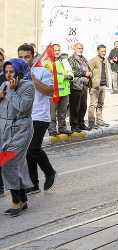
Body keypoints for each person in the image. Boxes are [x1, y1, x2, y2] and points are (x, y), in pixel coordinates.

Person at [18, 45, 57, 195]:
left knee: (34, 147)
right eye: (20, 57)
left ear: (33, 56)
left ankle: (50, 172)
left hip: (40, 116)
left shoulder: (42, 71)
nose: (23, 60)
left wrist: (34, 81)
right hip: (24, 116)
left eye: (26, 56)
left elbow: (50, 91)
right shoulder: (17, 73)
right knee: (28, 151)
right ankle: (33, 184)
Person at [2, 58, 37, 216]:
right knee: (18, 165)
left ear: (20, 71)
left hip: (21, 129)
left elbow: (22, 107)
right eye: (6, 71)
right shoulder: (4, 85)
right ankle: (23, 200)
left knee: (8, 163)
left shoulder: (28, 87)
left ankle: (15, 201)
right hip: (4, 130)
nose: (9, 75)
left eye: (12, 71)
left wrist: (10, 92)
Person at [47, 44, 72, 136]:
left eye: (58, 50)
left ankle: (62, 128)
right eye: (55, 50)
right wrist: (63, 77)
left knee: (63, 112)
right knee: (52, 113)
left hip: (65, 90)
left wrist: (70, 76)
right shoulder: (49, 62)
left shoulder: (64, 60)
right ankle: (52, 129)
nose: (57, 52)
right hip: (54, 92)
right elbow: (50, 75)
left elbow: (70, 70)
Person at [67, 43, 91, 133]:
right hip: (76, 85)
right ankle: (74, 125)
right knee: (75, 107)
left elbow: (88, 68)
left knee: (83, 106)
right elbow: (72, 71)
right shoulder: (71, 59)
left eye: (82, 48)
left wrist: (90, 73)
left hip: (84, 85)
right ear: (74, 49)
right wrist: (84, 73)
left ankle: (81, 123)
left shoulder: (83, 58)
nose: (81, 50)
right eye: (79, 48)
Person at [87, 44, 111, 129]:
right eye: (102, 51)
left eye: (104, 51)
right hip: (95, 86)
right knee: (93, 104)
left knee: (100, 104)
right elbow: (88, 70)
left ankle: (99, 121)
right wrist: (92, 82)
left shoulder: (104, 60)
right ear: (98, 51)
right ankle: (91, 122)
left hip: (103, 85)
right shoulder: (94, 60)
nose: (103, 53)